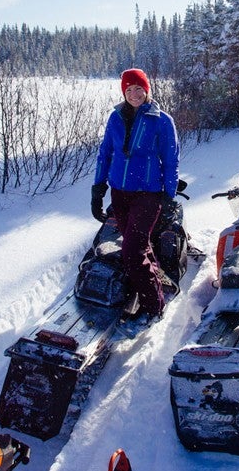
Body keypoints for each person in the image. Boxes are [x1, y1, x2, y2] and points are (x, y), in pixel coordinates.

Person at [91, 68, 180, 333]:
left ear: (147, 89)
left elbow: (171, 158)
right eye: (128, 90)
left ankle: (154, 307)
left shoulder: (162, 120)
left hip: (148, 193)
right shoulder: (115, 117)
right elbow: (105, 153)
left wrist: (169, 193)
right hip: (120, 192)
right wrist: (98, 188)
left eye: (138, 88)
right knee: (139, 245)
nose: (134, 94)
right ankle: (155, 277)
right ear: (123, 92)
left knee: (131, 252)